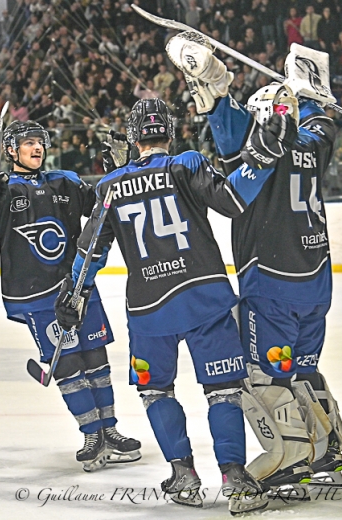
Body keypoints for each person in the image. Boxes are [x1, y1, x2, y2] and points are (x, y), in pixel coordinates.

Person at [55, 97, 297, 514]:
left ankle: (183, 475)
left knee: (154, 390)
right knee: (223, 391)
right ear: (169, 131)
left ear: (133, 138)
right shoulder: (186, 163)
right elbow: (232, 201)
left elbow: (90, 249)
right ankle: (235, 477)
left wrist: (72, 296)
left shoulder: (110, 185)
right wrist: (261, 156)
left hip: (150, 308)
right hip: (205, 296)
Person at [167, 36, 342, 496]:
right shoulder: (316, 140)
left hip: (271, 281)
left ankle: (289, 461)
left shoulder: (254, 144)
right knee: (303, 368)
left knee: (260, 374)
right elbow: (321, 115)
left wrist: (210, 80)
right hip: (316, 278)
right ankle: (327, 449)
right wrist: (307, 86)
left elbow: (222, 114)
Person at [0, 120, 140, 472]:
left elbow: (105, 208)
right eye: (28, 143)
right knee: (68, 364)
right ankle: (91, 434)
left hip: (76, 284)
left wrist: (120, 173)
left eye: (39, 142)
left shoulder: (65, 181)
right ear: (11, 150)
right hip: (34, 296)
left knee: (96, 358)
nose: (37, 148)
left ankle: (110, 430)